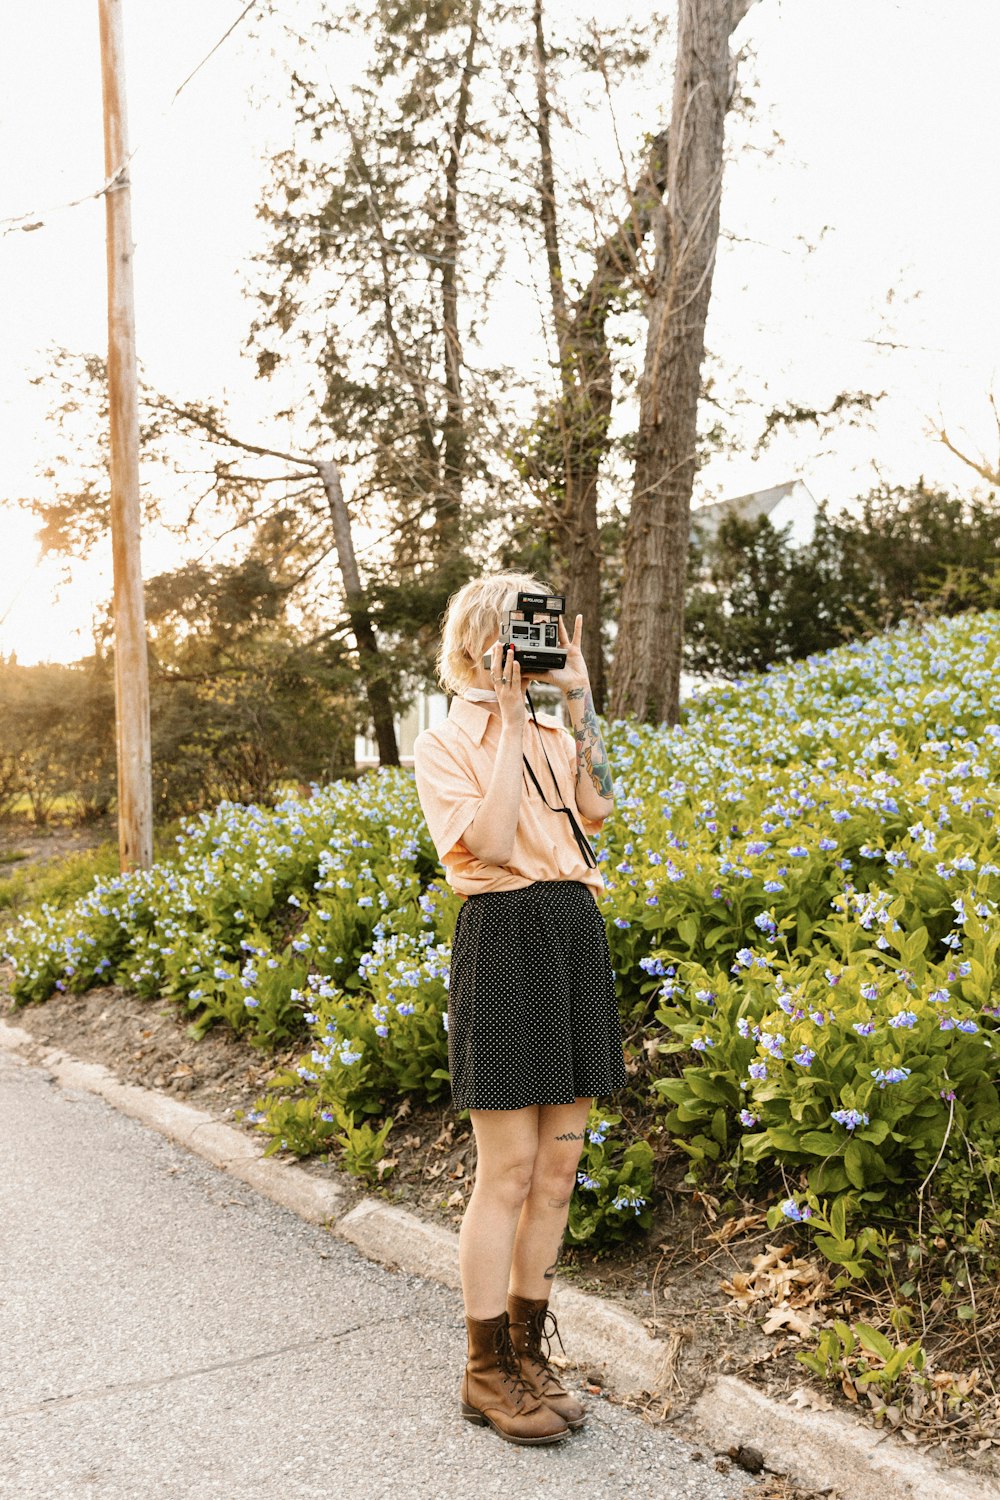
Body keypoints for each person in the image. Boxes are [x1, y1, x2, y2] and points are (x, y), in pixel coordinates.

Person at [412, 572, 629, 1446]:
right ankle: (483, 1369)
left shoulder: (551, 725)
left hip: (573, 930)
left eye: (544, 629)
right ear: (480, 640)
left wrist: (579, 704)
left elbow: (601, 808)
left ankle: (530, 1353)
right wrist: (504, 722)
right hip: (502, 937)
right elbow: (492, 843)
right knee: (505, 1172)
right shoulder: (444, 744)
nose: (535, 644)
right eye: (523, 628)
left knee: (556, 1170)